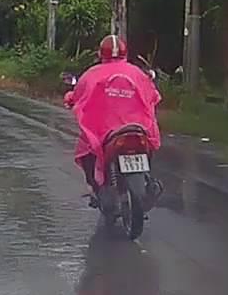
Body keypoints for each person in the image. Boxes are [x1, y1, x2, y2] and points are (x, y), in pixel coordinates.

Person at [63, 34, 162, 202]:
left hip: (106, 132)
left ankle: (97, 187)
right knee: (147, 146)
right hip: (138, 129)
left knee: (86, 149)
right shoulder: (137, 73)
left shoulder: (92, 74)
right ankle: (147, 181)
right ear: (125, 52)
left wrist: (70, 98)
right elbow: (153, 95)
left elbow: (78, 95)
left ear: (101, 53)